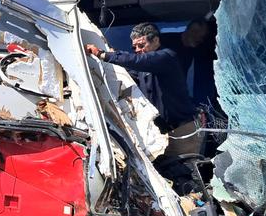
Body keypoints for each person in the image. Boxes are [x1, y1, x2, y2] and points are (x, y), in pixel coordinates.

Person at [86, 22, 202, 156]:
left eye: (142, 45)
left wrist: (102, 54)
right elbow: (129, 72)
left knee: (183, 171)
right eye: (134, 47)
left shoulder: (166, 57)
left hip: (182, 130)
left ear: (156, 40)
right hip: (160, 132)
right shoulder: (143, 67)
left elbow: (138, 61)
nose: (137, 50)